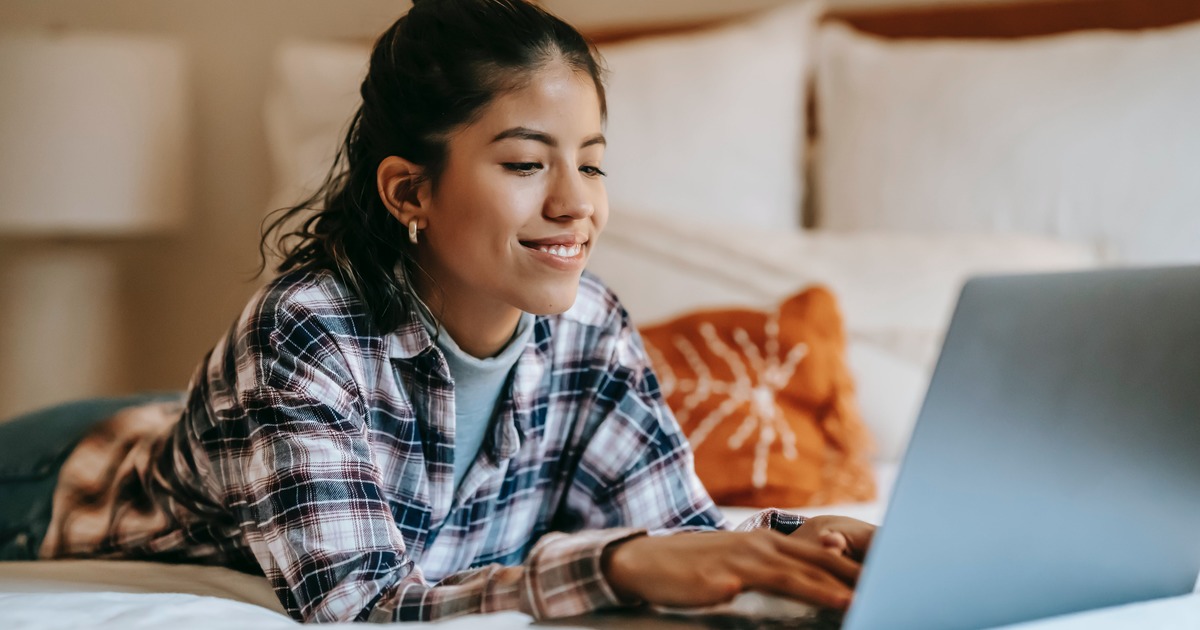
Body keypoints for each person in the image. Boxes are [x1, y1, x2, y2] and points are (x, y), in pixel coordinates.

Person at [0, 0, 875, 623]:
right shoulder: (306, 330)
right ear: (409, 189)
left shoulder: (588, 327)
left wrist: (804, 537)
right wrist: (612, 567)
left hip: (218, 432)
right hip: (54, 484)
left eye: (594, 163)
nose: (578, 205)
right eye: (527, 164)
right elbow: (363, 607)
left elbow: (681, 532)